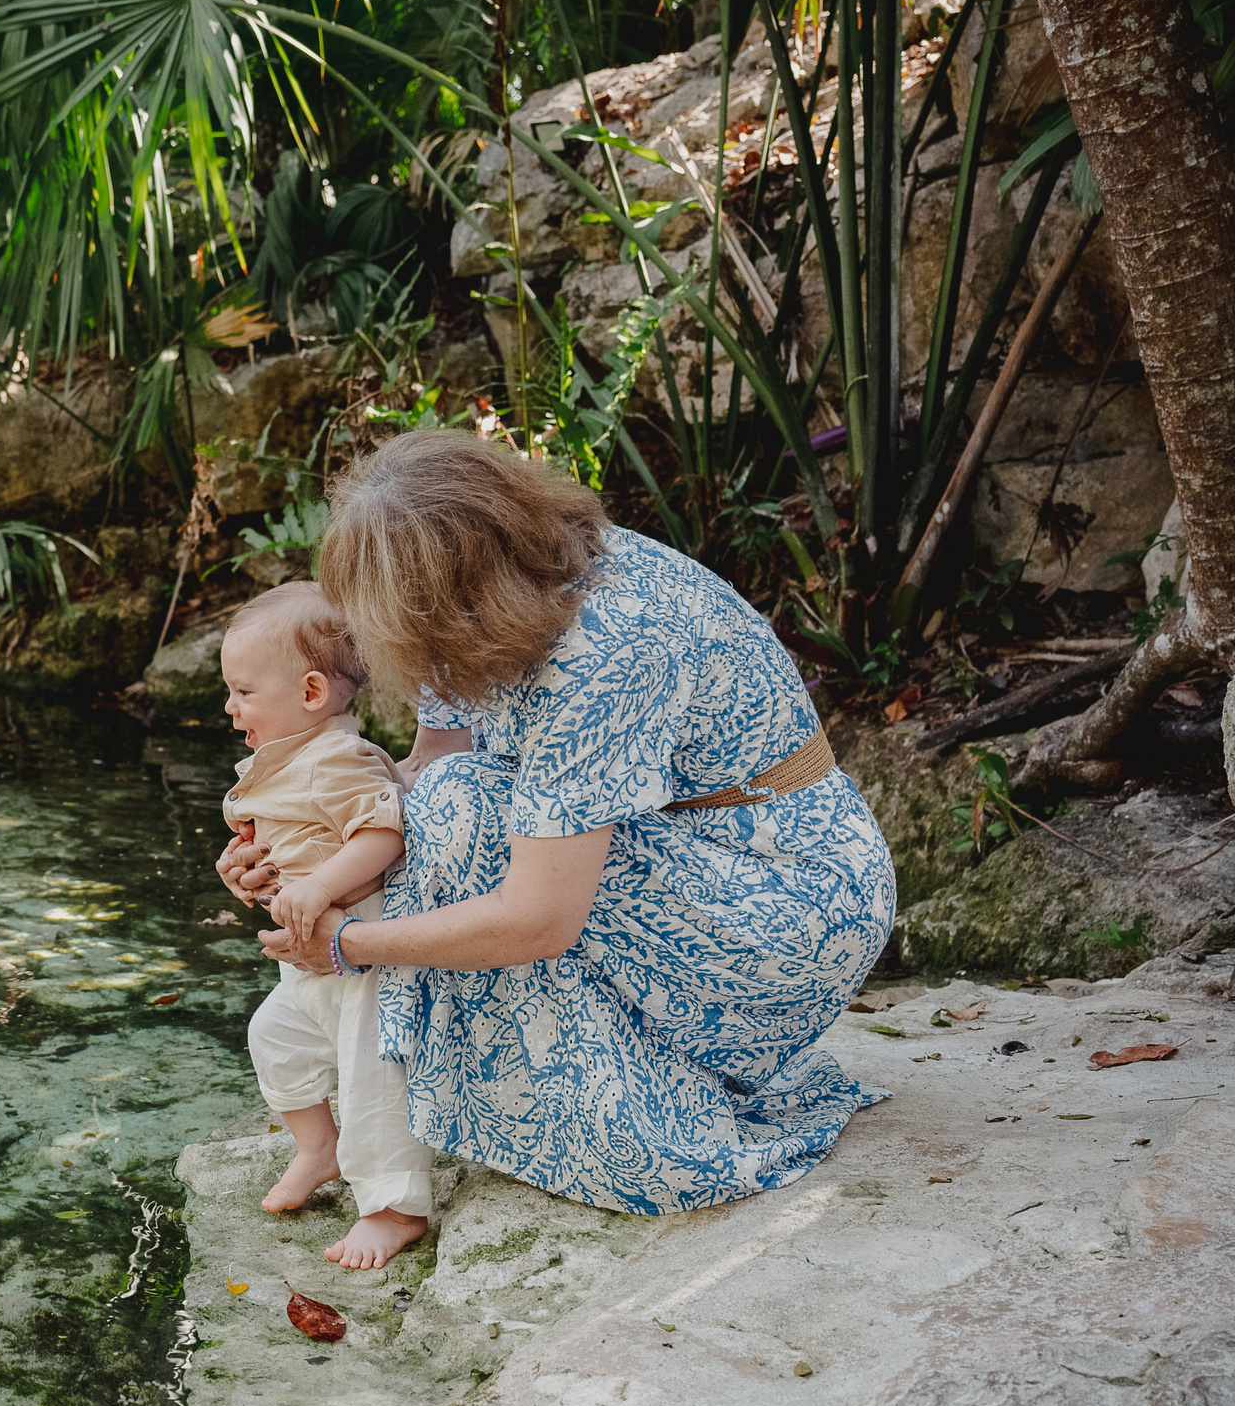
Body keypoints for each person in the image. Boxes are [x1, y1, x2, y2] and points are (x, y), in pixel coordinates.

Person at [218, 430, 896, 1243]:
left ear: (442, 588)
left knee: (464, 813)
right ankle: (450, 1103)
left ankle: (569, 1115)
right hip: (672, 858)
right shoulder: (495, 589)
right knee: (451, 804)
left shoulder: (606, 646)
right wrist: (299, 850)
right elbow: (431, 766)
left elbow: (541, 913)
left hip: (789, 902)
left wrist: (347, 942)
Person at [217, 582, 438, 1268]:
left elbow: (383, 832)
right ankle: (318, 1149)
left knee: (372, 1074)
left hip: (363, 951)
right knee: (272, 1037)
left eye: (243, 691)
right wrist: (243, 865)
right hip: (308, 958)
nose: (230, 706)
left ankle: (395, 1206)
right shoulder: (283, 760)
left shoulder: (338, 761)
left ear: (312, 693)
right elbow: (266, 837)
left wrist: (318, 884)